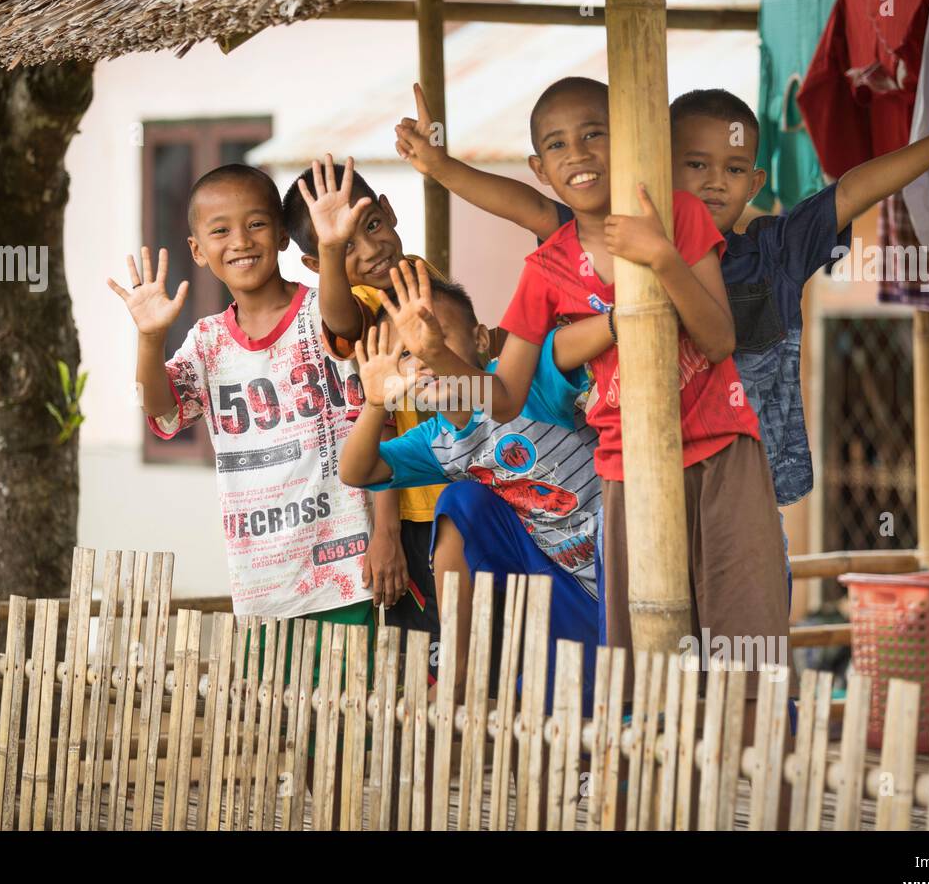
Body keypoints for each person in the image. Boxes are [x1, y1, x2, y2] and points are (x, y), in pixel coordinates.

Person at [396, 64, 929, 610]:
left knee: (742, 632)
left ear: (755, 181)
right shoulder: (607, 241)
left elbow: (856, 189)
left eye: (733, 170)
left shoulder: (773, 251)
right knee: (653, 631)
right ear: (655, 161)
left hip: (741, 472)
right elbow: (530, 206)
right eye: (695, 165)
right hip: (641, 474)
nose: (713, 184)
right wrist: (440, 167)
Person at [395, 77, 788, 701]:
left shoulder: (676, 215)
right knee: (641, 650)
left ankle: (754, 770)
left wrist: (661, 257)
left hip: (720, 451)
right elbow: (504, 399)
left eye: (593, 134)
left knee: (745, 629)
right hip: (625, 471)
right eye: (557, 145)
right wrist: (439, 354)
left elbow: (717, 340)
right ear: (541, 169)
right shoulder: (547, 268)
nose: (577, 153)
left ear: (627, 140)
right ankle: (650, 776)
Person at [107, 163, 379, 667]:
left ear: (280, 236)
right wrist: (149, 337)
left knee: (349, 720)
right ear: (198, 251)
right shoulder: (207, 342)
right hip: (262, 578)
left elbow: (345, 327)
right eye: (220, 230)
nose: (240, 241)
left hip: (348, 563)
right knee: (280, 722)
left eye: (255, 224)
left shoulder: (323, 310)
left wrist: (333, 248)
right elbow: (163, 412)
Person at [340, 259, 603, 711]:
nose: (422, 357)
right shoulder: (436, 441)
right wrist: (376, 404)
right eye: (406, 353)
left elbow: (594, 334)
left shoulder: (523, 381)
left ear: (480, 338)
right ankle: (459, 673)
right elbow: (357, 472)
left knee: (628, 703)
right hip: (563, 579)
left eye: (434, 336)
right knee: (461, 499)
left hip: (620, 558)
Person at [283, 158, 449, 673]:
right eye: (343, 246)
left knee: (474, 643)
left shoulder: (421, 272)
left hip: (461, 485)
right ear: (317, 265)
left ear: (389, 211)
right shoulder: (358, 299)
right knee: (426, 661)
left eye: (371, 226)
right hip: (411, 512)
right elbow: (341, 320)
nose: (372, 249)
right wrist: (387, 533)